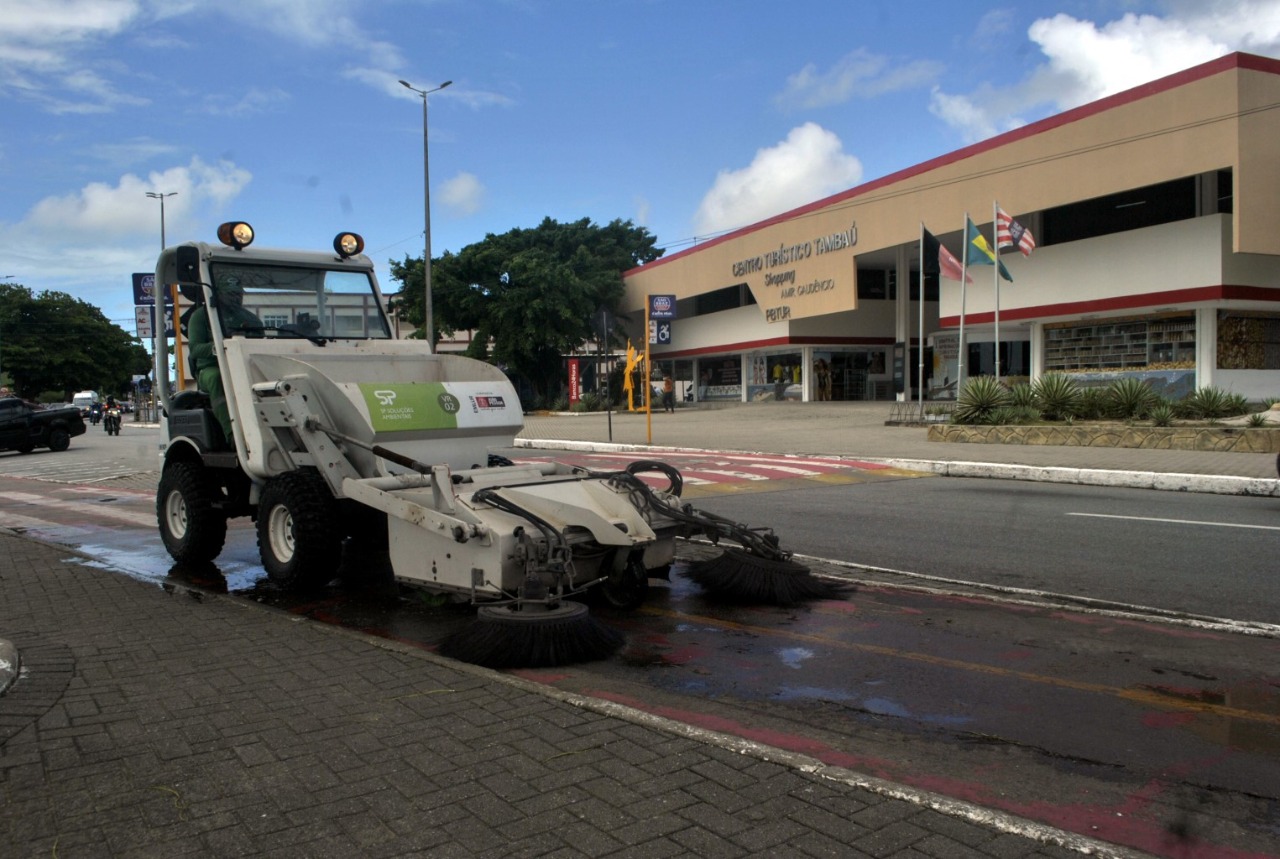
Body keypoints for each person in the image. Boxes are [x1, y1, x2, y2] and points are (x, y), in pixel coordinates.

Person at [186, 275, 262, 444]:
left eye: (239, 294)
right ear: (219, 294)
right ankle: (232, 435)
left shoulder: (250, 319)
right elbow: (195, 348)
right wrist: (219, 347)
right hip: (211, 367)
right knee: (218, 379)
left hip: (245, 366)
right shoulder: (201, 316)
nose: (236, 298)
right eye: (231, 294)